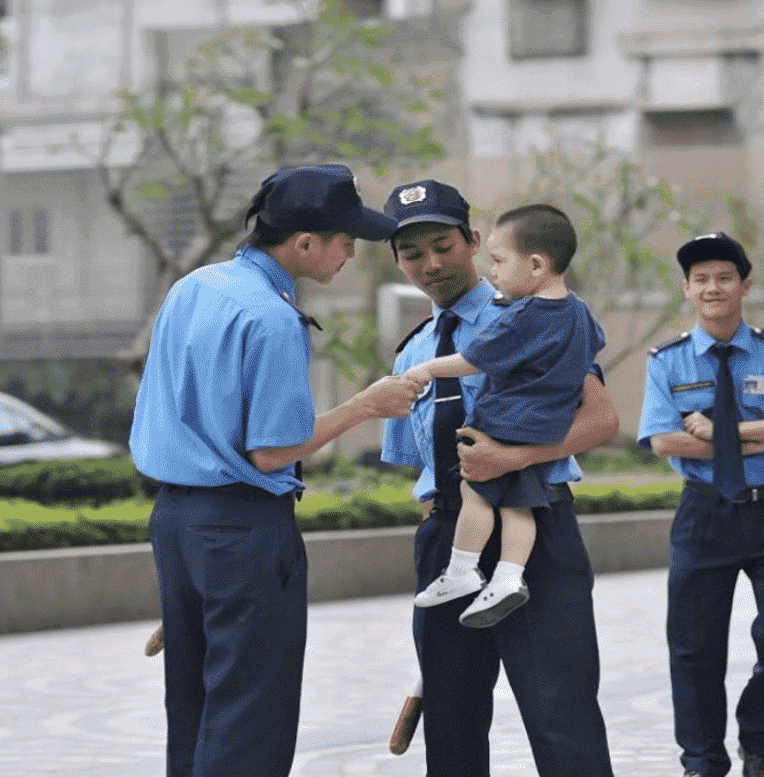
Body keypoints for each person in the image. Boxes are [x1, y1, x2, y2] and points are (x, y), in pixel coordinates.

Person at [130, 163, 421, 777]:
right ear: (306, 243)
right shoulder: (271, 318)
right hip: (241, 527)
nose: (351, 254)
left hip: (176, 522)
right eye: (346, 241)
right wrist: (367, 405)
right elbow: (271, 452)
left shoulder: (193, 287)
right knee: (249, 715)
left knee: (194, 705)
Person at [381, 179, 618, 777]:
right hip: (450, 538)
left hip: (533, 527)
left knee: (561, 713)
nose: (431, 264)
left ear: (473, 241)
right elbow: (420, 467)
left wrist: (514, 459)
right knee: (452, 725)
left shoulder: (537, 314)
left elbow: (601, 420)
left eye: (443, 246)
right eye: (412, 254)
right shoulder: (412, 353)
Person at [637, 232, 764, 777]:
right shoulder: (667, 361)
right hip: (704, 515)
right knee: (694, 651)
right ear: (687, 289)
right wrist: (763, 436)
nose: (712, 288)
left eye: (724, 277)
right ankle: (702, 762)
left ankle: (758, 743)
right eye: (700, 279)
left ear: (745, 286)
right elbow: (662, 440)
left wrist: (728, 431)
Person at [402, 204, 605, 628]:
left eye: (498, 260)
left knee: (477, 489)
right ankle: (507, 577)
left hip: (511, 435)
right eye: (412, 253)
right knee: (517, 505)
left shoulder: (519, 317)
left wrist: (426, 371)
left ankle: (464, 569)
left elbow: (473, 360)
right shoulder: (579, 312)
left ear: (536, 265)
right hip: (464, 502)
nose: (493, 271)